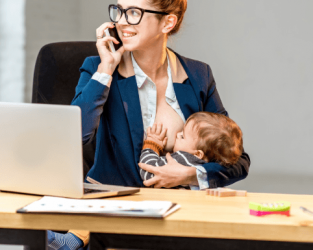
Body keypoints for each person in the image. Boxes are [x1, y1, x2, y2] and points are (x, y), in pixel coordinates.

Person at [48, 0, 250, 249]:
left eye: (134, 12)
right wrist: (106, 70)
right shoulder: (97, 68)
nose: (121, 21)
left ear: (168, 22)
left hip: (176, 217)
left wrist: (191, 173)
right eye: (119, 10)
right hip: (112, 221)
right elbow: (75, 135)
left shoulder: (198, 76)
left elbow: (237, 161)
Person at [139, 112, 243, 189]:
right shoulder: (205, 165)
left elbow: (148, 173)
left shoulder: (183, 159)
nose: (178, 135)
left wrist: (152, 145)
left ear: (197, 153)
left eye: (183, 136)